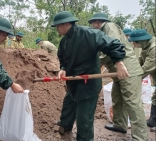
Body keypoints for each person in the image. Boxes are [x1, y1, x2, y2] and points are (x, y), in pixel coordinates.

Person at [52, 11, 129, 140]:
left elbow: (113, 44)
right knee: (68, 104)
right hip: (73, 81)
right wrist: (63, 69)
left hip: (88, 83)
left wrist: (119, 64)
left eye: (58, 26)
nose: (57, 29)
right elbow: (62, 58)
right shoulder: (64, 41)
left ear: (66, 24)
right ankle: (65, 126)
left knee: (84, 117)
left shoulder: (89, 34)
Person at [88, 12, 148, 140]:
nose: (93, 26)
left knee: (132, 103)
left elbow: (114, 45)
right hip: (117, 72)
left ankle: (141, 137)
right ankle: (120, 124)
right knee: (117, 98)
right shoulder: (102, 33)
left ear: (98, 22)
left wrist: (98, 62)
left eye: (93, 23)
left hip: (127, 70)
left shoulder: (108, 26)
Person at [130, 29, 156, 132]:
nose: (133, 44)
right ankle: (152, 120)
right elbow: (140, 61)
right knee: (155, 97)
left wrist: (134, 77)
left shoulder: (154, 48)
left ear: (141, 40)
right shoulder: (146, 46)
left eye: (135, 42)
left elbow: (147, 66)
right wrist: (131, 71)